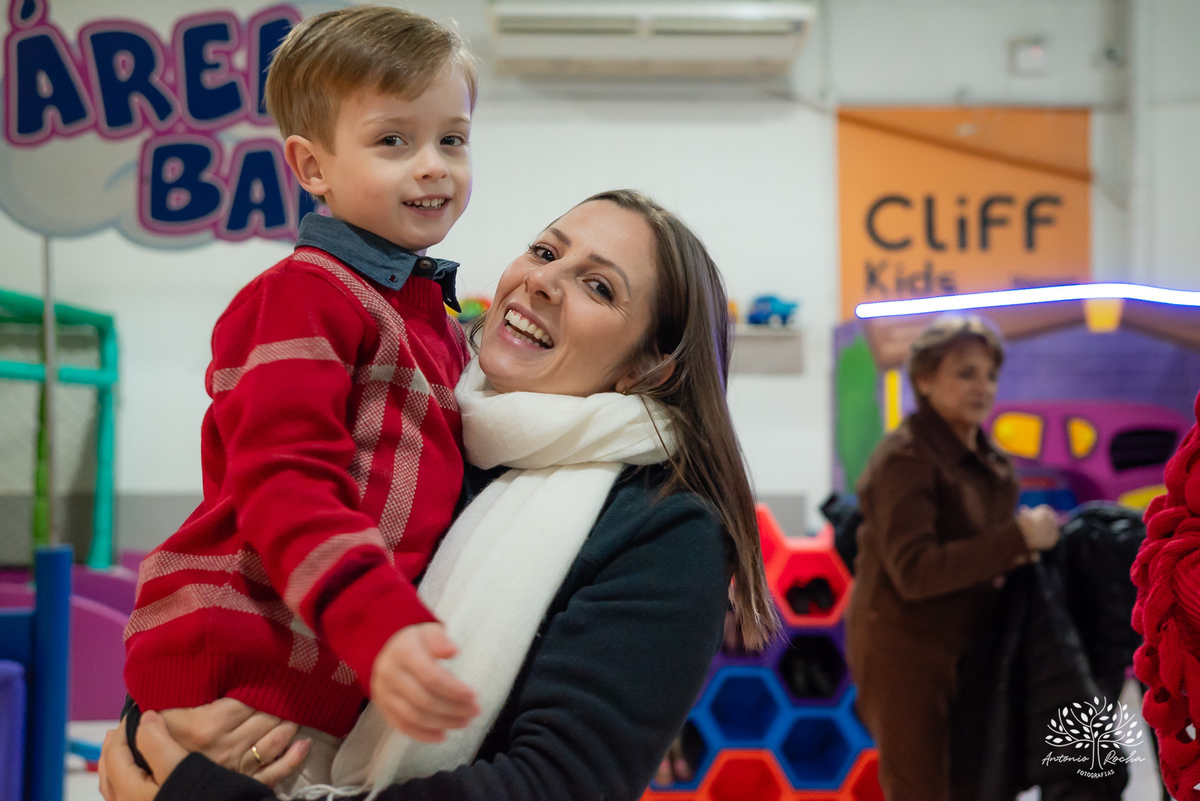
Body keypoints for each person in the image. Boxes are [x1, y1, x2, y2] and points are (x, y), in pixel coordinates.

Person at [100, 189, 780, 801]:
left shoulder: (667, 526)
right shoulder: (422, 422)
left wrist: (203, 789)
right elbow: (241, 571)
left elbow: (556, 783)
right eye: (545, 251)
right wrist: (161, 722)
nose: (543, 281)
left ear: (648, 367)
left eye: (597, 286)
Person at [122, 6, 482, 785]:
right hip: (248, 667)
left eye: (452, 139)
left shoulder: (436, 324)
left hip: (325, 671)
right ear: (313, 168)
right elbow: (285, 478)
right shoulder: (304, 295)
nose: (434, 166)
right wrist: (380, 624)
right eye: (394, 140)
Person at [844, 315, 1061, 801]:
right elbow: (915, 571)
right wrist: (1017, 538)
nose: (982, 386)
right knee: (921, 788)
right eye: (965, 373)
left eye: (989, 374)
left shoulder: (993, 463)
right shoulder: (905, 458)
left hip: (973, 646)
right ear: (923, 380)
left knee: (979, 783)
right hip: (906, 653)